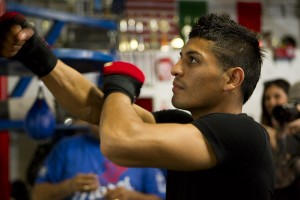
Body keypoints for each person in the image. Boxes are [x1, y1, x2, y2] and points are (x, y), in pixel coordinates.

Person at [0, 12, 275, 199]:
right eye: (180, 58)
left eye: (192, 60)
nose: (176, 69)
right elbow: (97, 107)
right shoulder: (183, 125)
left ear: (232, 78)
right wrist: (34, 52)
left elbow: (119, 142)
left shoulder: (244, 135)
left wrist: (121, 84)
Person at [31, 119, 166, 200]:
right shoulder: (66, 148)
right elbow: (37, 195)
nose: (101, 118)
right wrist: (69, 186)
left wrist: (132, 197)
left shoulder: (139, 151)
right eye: (96, 112)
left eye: (107, 111)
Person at [261, 79, 300, 200]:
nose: (271, 102)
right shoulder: (263, 131)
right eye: (267, 98)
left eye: (277, 96)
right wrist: (281, 135)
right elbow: (279, 177)